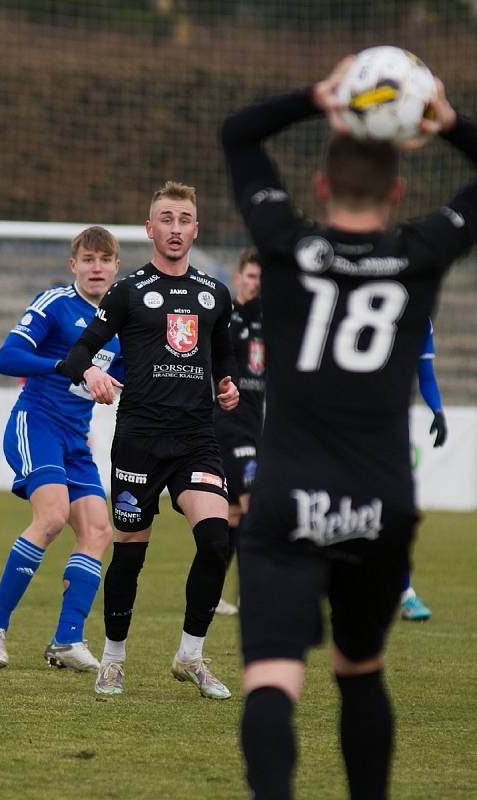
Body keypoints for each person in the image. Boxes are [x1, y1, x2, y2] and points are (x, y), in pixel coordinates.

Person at [222, 58, 476, 799]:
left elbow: (238, 135)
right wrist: (448, 122)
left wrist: (314, 95)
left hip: (286, 499)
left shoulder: (283, 246)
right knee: (359, 670)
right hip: (378, 505)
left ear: (321, 186)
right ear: (398, 191)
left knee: (272, 679)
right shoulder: (417, 254)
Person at [57, 181, 239, 699]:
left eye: (185, 219)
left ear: (195, 228)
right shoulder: (128, 289)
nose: (176, 228)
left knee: (215, 540)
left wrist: (226, 386)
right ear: (150, 228)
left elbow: (223, 357)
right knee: (131, 552)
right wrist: (91, 373)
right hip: (139, 439)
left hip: (196, 439)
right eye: (166, 218)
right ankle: (112, 661)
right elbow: (77, 354)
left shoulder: (214, 292)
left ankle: (191, 656)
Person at [0, 226, 123, 672]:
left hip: (76, 440)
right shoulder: (56, 303)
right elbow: (6, 357)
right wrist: (68, 367)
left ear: (116, 267)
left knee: (99, 530)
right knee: (53, 516)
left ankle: (66, 640)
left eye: (105, 259)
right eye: (88, 259)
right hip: (36, 423)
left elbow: (130, 379)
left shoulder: (119, 323)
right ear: (73, 265)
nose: (96, 267)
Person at [214, 247, 265, 615]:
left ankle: (213, 593)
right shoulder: (225, 315)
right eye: (250, 276)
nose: (255, 283)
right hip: (228, 425)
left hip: (254, 425)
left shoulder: (269, 320)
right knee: (253, 507)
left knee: (232, 514)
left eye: (261, 278)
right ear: (238, 278)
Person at [401, 318, 447, 621]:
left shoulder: (420, 318)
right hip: (347, 422)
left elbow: (425, 376)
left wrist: (438, 410)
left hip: (390, 428)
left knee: (396, 512)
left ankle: (405, 594)